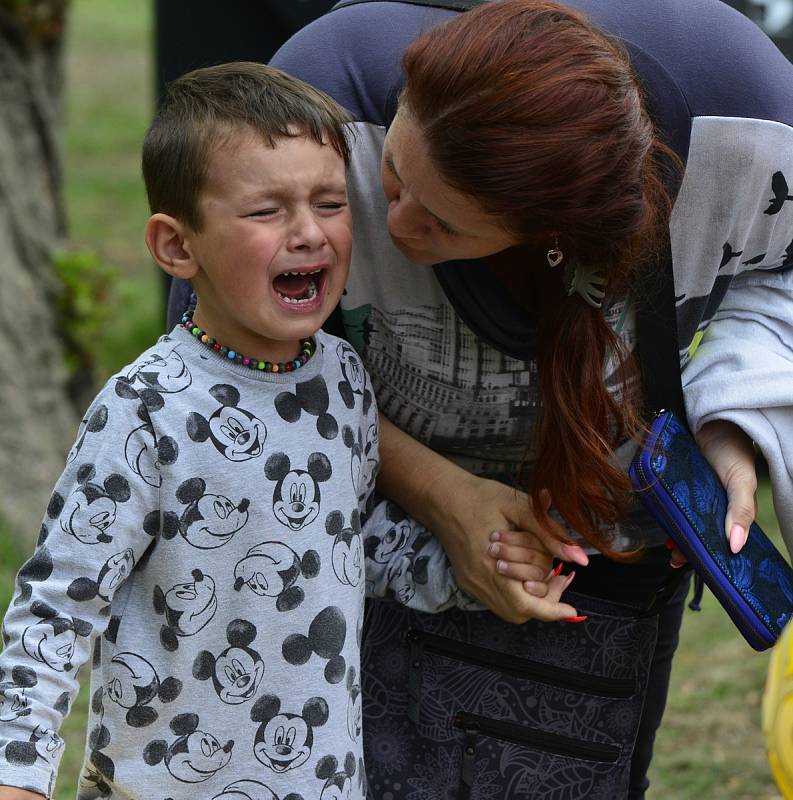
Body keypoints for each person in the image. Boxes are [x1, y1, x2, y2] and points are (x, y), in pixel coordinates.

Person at [201, 1, 793, 797]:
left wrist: (735, 418)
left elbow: (778, 280)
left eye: (441, 226)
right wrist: (440, 494)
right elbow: (223, 369)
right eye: (391, 179)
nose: (394, 223)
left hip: (606, 588)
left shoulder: (743, 118)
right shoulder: (313, 108)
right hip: (343, 569)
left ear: (554, 237)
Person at [0, 62, 537, 800]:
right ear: (177, 247)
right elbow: (57, 604)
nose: (308, 233)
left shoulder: (342, 380)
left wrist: (475, 572)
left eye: (328, 201)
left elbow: (344, 544)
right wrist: (19, 777)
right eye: (265, 212)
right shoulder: (146, 410)